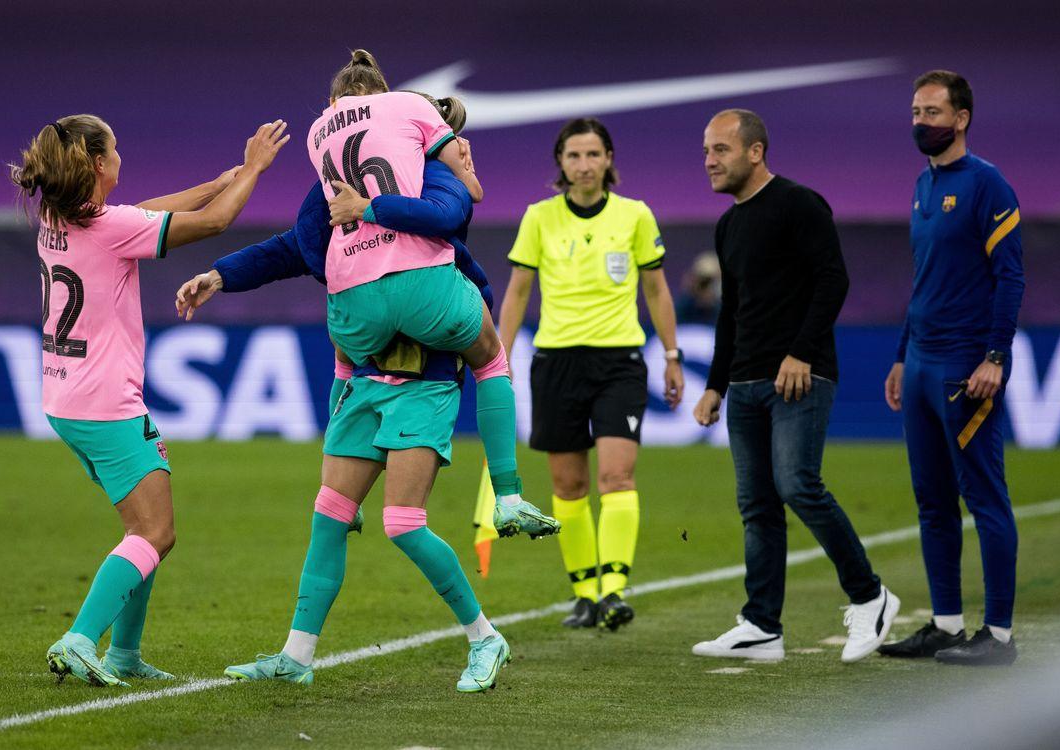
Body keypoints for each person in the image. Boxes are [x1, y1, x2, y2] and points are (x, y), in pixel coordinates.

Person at [177, 99, 515, 692]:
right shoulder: (329, 195)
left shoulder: (425, 179)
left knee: (404, 523)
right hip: (364, 382)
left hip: (423, 384)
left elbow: (462, 250)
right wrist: (220, 275)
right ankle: (296, 656)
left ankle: (485, 638)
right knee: (329, 517)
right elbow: (291, 248)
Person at [9, 114, 289, 686]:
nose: (121, 157)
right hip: (106, 403)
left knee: (143, 529)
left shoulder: (56, 216)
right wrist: (254, 169)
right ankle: (81, 638)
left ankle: (125, 655)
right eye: (114, 149)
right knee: (156, 533)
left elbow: (146, 211)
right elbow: (213, 223)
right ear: (95, 164)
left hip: (65, 398)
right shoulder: (109, 228)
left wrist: (217, 179)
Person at [307, 51, 556, 537]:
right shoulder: (410, 120)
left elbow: (304, 232)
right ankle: (508, 495)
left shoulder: (319, 137)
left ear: (334, 99)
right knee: (490, 359)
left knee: (345, 362)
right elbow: (455, 205)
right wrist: (462, 170)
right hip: (419, 283)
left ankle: (336, 493)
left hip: (350, 286)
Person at [691, 109, 899, 663]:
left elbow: (835, 278)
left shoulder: (799, 204)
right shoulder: (728, 225)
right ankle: (762, 626)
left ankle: (871, 596)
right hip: (746, 382)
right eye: (706, 151)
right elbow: (731, 311)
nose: (710, 160)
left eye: (721, 150)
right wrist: (715, 385)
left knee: (798, 485)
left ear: (755, 152)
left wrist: (801, 352)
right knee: (756, 505)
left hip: (800, 376)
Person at [497, 117, 684, 631]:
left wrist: (670, 354)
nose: (584, 165)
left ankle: (615, 589)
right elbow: (517, 292)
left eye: (593, 155)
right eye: (574, 156)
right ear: (560, 162)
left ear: (609, 160)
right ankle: (584, 593)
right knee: (569, 484)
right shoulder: (538, 218)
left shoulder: (635, 216)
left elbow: (657, 291)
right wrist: (499, 357)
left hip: (619, 362)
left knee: (617, 475)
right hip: (556, 362)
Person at [880, 70, 1024, 666]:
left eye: (933, 112)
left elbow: (1010, 276)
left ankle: (999, 636)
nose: (921, 121)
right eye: (916, 111)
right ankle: (944, 624)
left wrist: (995, 356)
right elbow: (924, 281)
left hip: (965, 366)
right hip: (918, 365)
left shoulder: (988, 185)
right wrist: (898, 354)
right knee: (932, 500)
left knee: (984, 496)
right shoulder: (921, 183)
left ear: (961, 118)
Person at [675, 251, 722, 325]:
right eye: (704, 282)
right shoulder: (682, 309)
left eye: (712, 282)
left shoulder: (726, 313)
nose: (707, 288)